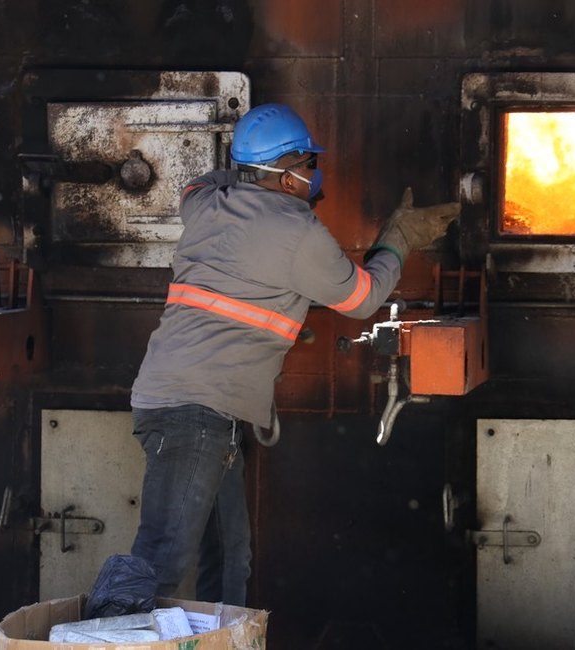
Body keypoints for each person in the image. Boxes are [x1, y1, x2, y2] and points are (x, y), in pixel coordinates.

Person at [126, 103, 459, 606]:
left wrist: (254, 182)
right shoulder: (298, 232)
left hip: (200, 408)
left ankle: (228, 639)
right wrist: (400, 237)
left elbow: (198, 184)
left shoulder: (205, 204)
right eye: (307, 164)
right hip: (194, 412)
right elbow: (362, 298)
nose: (313, 173)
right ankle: (111, 631)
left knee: (229, 556)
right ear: (286, 176)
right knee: (162, 560)